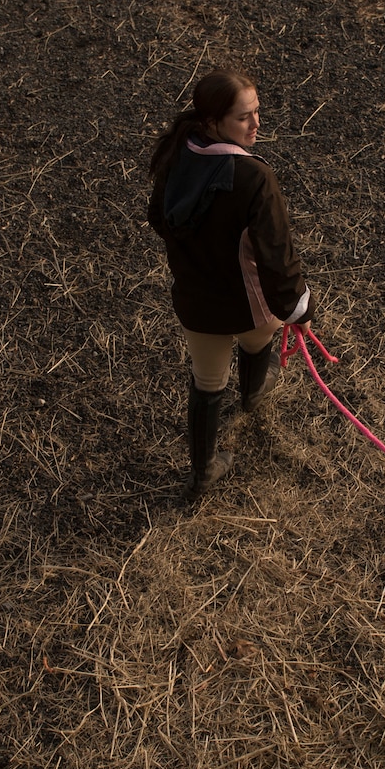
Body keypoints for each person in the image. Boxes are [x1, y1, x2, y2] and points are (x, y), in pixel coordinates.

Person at [146, 70, 311, 494]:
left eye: (257, 113)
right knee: (258, 342)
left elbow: (157, 219)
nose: (257, 125)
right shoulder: (254, 178)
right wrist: (300, 309)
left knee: (206, 382)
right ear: (213, 122)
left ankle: (202, 472)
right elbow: (278, 258)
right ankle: (254, 393)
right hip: (246, 303)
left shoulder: (175, 157)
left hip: (196, 304)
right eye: (244, 118)